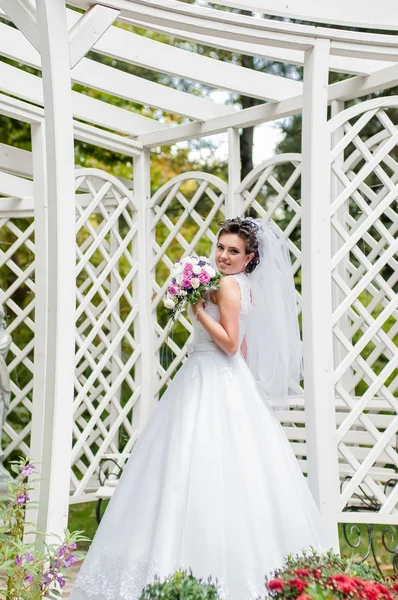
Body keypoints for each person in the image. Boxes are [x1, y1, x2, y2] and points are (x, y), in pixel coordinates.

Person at [71, 218, 330, 600]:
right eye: (220, 248)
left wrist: (197, 310)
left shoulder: (225, 285)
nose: (223, 256)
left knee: (186, 462)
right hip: (229, 379)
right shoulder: (244, 289)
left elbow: (228, 343)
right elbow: (242, 351)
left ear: (250, 257)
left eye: (233, 251)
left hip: (211, 374)